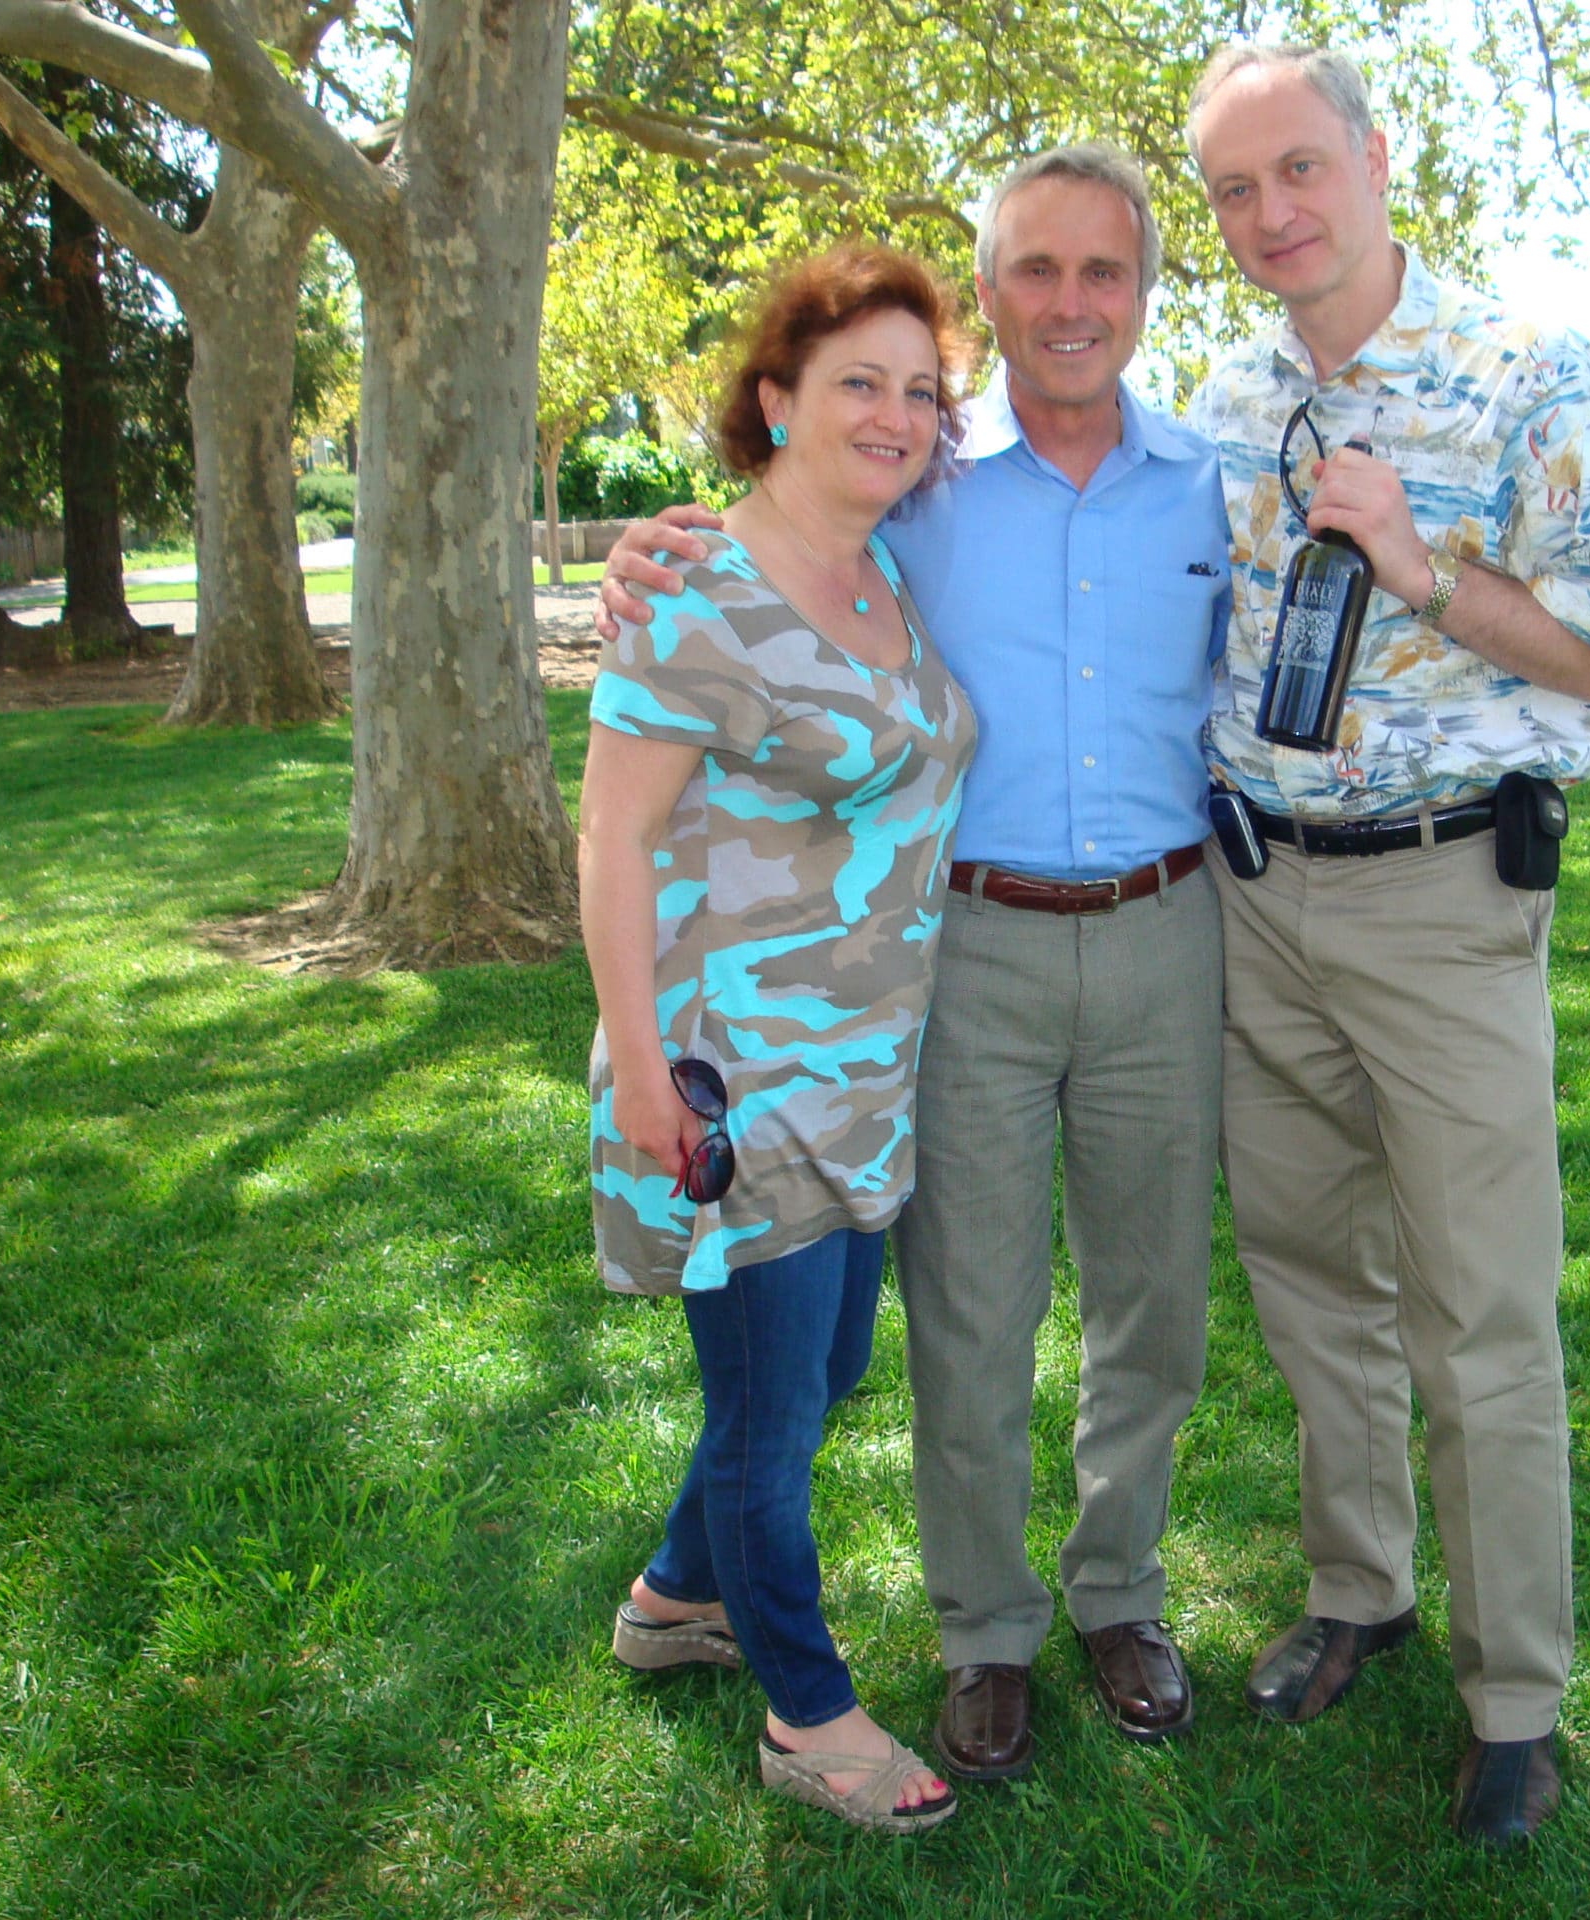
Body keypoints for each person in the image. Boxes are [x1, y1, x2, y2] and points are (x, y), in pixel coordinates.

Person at [598, 145, 1232, 1785]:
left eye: (1105, 273)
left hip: (1170, 932)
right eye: (1036, 270)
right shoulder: (920, 490)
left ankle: (1119, 1590)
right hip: (973, 956)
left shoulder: (1216, 486)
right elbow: (758, 541)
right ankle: (984, 1633)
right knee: (968, 1315)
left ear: (1146, 295)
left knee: (1153, 1303)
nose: (1071, 304)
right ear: (996, 295)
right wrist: (650, 552)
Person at [1184, 43, 1590, 1850]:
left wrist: (1422, 569)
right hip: (1255, 895)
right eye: (1233, 190)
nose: (1271, 215)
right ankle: (1359, 1591)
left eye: (1297, 169)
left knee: (1482, 1314)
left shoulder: (1526, 376)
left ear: (1378, 160)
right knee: (1313, 1287)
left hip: (1447, 905)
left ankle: (1516, 1693)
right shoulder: (1221, 397)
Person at [581, 244, 978, 1837]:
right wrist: (646, 1078)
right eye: (857, 383)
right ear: (777, 401)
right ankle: (806, 1717)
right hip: (729, 1077)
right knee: (768, 1418)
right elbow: (610, 842)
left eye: (921, 389)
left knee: (822, 1368)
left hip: (866, 1065)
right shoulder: (693, 591)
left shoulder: (893, 566)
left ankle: (675, 1597)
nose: (894, 414)